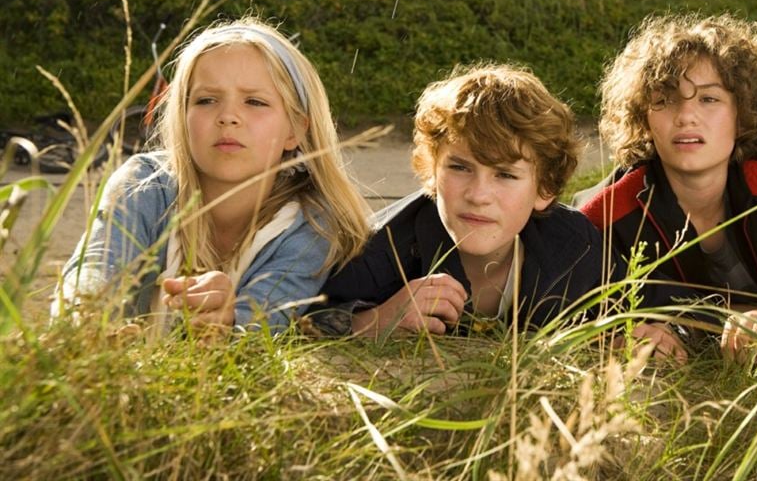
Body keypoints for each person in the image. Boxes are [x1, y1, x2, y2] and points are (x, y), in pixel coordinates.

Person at [53, 18, 371, 335]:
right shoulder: (144, 184)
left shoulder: (311, 224)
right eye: (206, 100)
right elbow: (94, 270)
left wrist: (228, 320)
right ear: (182, 116)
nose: (228, 117)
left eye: (255, 102)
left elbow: (269, 320)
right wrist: (87, 313)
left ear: (296, 130)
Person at [578, 12, 757, 360]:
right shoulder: (609, 211)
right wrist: (637, 332)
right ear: (642, 117)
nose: (686, 116)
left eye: (709, 99)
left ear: (743, 113)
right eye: (665, 100)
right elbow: (583, 300)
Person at [310, 63, 616, 341]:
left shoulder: (577, 246)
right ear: (431, 171)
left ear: (544, 189)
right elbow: (303, 322)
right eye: (459, 168)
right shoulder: (379, 252)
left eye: (506, 175)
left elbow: (627, 313)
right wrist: (377, 319)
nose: (478, 195)